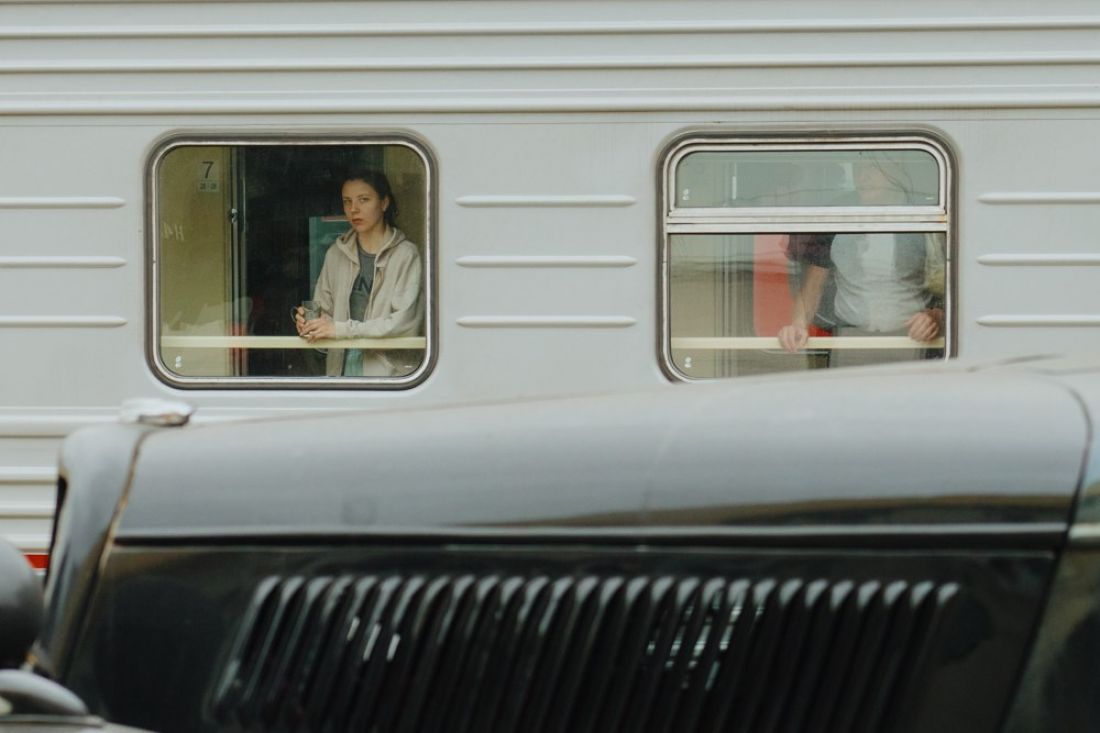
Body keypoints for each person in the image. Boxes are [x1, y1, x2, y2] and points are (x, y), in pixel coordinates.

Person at [777, 155, 944, 366]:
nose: (863, 177)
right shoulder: (837, 214)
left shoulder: (923, 215)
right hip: (849, 338)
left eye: (872, 169)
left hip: (913, 338)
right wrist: (798, 324)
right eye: (858, 169)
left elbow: (945, 286)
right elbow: (813, 285)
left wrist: (936, 317)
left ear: (895, 170)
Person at [295, 170, 423, 376]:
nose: (353, 209)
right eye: (347, 201)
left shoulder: (406, 255)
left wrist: (339, 329)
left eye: (363, 200)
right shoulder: (335, 253)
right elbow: (325, 313)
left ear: (384, 203)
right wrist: (310, 322)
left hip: (389, 376)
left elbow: (403, 324)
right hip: (340, 369)